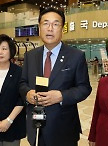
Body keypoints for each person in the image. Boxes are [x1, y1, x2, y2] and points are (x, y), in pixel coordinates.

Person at [19, 8, 92, 146]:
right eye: (45, 23)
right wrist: (27, 94)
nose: (50, 28)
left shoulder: (76, 56)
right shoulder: (30, 56)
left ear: (62, 29)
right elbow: (22, 83)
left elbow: (84, 88)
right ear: (39, 27)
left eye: (55, 24)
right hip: (36, 127)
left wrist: (61, 96)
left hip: (63, 130)